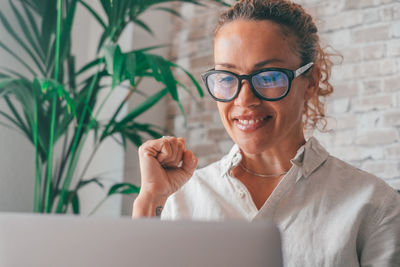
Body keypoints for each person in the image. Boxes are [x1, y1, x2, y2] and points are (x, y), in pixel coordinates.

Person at [132, 0, 400, 266]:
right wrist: (152, 198)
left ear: (311, 81)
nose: (244, 100)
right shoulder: (181, 199)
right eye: (226, 78)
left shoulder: (373, 205)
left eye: (269, 77)